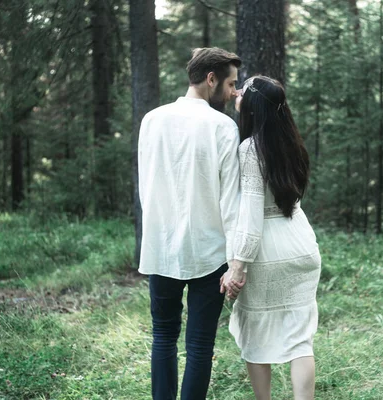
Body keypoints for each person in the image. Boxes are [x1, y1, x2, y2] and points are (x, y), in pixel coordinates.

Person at [137, 47, 245, 400]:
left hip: (162, 246)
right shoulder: (222, 126)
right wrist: (237, 259)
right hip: (209, 250)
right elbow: (231, 200)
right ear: (210, 79)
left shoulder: (152, 119)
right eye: (230, 84)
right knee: (199, 345)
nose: (233, 92)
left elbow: (147, 186)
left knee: (163, 336)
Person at [220, 76, 322, 400]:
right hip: (301, 246)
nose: (236, 93)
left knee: (256, 338)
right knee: (300, 342)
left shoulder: (250, 149)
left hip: (266, 253)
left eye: (242, 89)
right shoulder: (292, 144)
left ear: (254, 104)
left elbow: (250, 216)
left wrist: (238, 265)